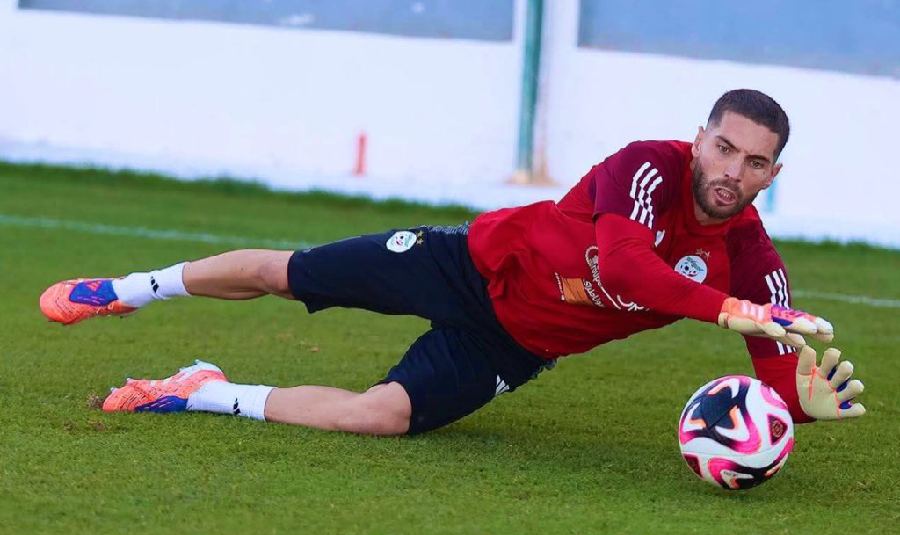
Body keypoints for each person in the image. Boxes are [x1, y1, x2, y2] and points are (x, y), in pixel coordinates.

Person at [39, 89, 865, 435]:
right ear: (700, 138)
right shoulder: (643, 167)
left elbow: (775, 359)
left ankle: (199, 392)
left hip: (512, 343)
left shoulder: (753, 263)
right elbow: (623, 268)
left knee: (381, 418)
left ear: (772, 175)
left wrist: (797, 404)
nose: (732, 171)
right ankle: (128, 291)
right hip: (466, 262)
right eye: (724, 147)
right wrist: (727, 311)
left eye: (754, 163)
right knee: (284, 274)